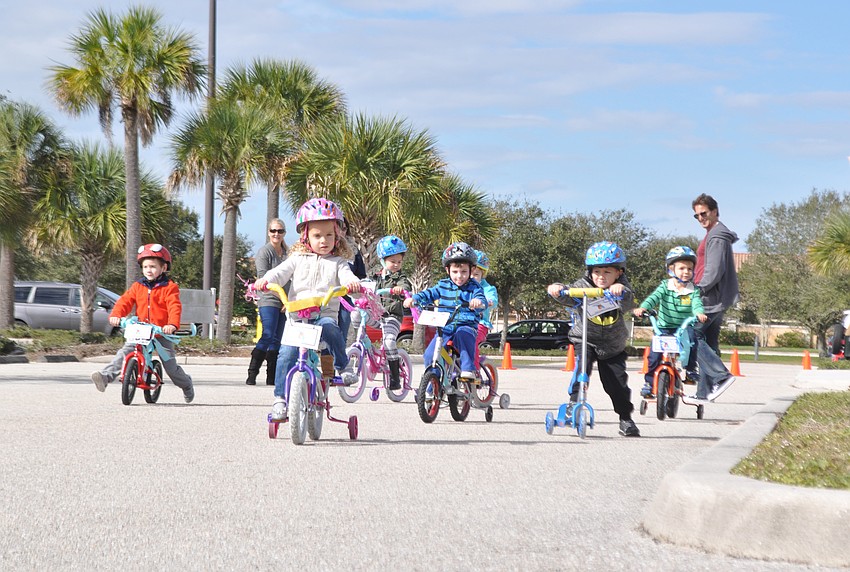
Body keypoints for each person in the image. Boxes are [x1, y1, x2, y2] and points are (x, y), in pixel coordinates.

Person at [254, 197, 362, 422]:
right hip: (297, 321)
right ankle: (280, 400)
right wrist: (265, 280)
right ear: (305, 237)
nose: (324, 240)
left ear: (337, 236)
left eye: (329, 235)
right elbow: (279, 273)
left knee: (331, 328)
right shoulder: (297, 259)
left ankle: (343, 366)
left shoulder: (339, 262)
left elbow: (347, 276)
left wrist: (353, 285)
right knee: (286, 355)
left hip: (322, 318)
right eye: (317, 235)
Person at [546, 241, 640, 437]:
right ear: (590, 272)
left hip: (613, 345)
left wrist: (620, 291)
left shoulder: (622, 288)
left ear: (619, 273)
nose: (601, 277)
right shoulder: (582, 286)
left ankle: (626, 419)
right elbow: (567, 294)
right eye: (597, 272)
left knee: (616, 384)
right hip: (586, 340)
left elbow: (629, 301)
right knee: (582, 368)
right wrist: (557, 289)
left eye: (607, 272)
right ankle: (573, 402)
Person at [90, 244, 195, 403]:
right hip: (141, 331)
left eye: (153, 266)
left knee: (170, 367)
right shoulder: (138, 286)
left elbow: (174, 306)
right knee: (125, 352)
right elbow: (125, 301)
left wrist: (172, 325)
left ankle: (186, 384)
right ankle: (105, 377)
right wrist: (116, 315)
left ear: (164, 267)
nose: (148, 270)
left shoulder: (170, 287)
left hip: (161, 333)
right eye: (145, 266)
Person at [403, 242, 486, 381]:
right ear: (448, 270)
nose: (459, 276)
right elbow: (429, 294)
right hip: (445, 327)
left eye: (464, 272)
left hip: (466, 324)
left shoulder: (474, 287)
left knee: (463, 335)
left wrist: (477, 302)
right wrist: (415, 298)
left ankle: (468, 368)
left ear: (471, 270)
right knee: (430, 355)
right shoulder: (443, 285)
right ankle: (432, 385)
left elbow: (481, 300)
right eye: (455, 272)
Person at [633, 246, 707, 397]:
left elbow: (697, 303)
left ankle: (691, 369)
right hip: (664, 328)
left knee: (692, 342)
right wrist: (643, 308)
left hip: (683, 327)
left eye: (689, 269)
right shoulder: (665, 286)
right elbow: (653, 298)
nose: (686, 272)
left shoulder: (693, 290)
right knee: (654, 355)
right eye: (681, 268)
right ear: (671, 269)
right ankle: (648, 383)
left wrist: (699, 313)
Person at [692, 194, 739, 401]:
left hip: (709, 298)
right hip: (713, 298)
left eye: (704, 213)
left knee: (690, 336)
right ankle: (704, 392)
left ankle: (721, 376)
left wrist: (697, 289)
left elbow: (714, 270)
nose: (701, 218)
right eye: (697, 215)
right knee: (709, 344)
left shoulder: (717, 236)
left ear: (714, 211)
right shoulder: (713, 233)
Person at [245, 218, 288, 386]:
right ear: (268, 232)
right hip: (269, 299)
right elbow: (263, 279)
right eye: (273, 231)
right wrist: (282, 296)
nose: (276, 234)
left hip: (285, 301)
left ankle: (272, 377)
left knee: (278, 339)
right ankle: (252, 373)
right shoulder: (265, 252)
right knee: (268, 334)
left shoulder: (288, 253)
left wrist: (289, 300)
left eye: (280, 231)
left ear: (284, 233)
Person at [368, 235, 412, 390]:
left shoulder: (400, 276)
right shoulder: (375, 275)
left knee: (389, 342)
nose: (396, 265)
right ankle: (363, 346)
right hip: (377, 315)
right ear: (383, 261)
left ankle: (395, 378)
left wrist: (401, 289)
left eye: (399, 262)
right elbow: (366, 283)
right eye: (393, 261)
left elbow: (405, 285)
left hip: (392, 317)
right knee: (356, 315)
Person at [338, 217, 367, 343]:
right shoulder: (326, 247)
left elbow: (361, 274)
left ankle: (337, 362)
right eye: (339, 228)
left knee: (341, 333)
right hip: (327, 297)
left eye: (344, 229)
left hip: (346, 298)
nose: (342, 232)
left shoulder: (353, 249)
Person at [471, 249, 498, 369]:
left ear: (483, 275)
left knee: (472, 340)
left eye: (476, 274)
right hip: (460, 321)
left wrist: (487, 301)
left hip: (480, 323)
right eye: (469, 273)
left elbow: (492, 298)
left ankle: (474, 369)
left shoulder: (487, 288)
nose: (472, 277)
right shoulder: (460, 286)